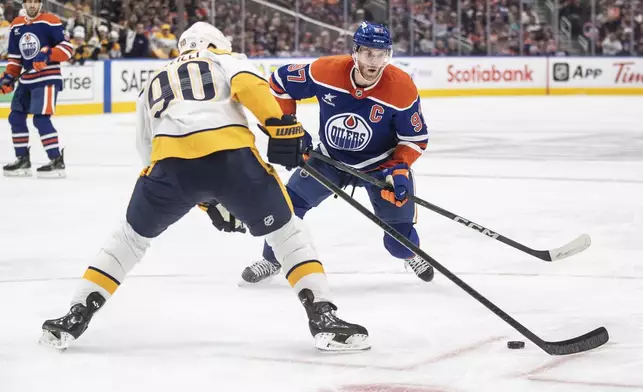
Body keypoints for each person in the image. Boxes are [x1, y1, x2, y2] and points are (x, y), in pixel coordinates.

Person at [39, 21, 370, 353]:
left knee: (127, 240)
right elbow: (249, 86)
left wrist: (203, 200)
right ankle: (323, 317)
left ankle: (75, 314)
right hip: (232, 158)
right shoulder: (224, 59)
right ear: (215, 43)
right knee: (288, 234)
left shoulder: (154, 78)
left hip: (168, 166)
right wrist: (281, 125)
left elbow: (145, 147)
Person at [240, 22, 434, 285]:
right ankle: (273, 259)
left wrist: (399, 167)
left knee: (398, 242)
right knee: (287, 206)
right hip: (329, 159)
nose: (374, 61)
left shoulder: (401, 88)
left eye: (381, 54)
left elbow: (414, 138)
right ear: (355, 51)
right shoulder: (326, 71)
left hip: (380, 167)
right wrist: (290, 129)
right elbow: (279, 83)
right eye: (368, 53)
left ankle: (410, 253)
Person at [0, 0, 73, 178]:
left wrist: (48, 54)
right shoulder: (16, 26)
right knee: (15, 116)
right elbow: (15, 58)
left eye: (35, 2)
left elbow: (67, 48)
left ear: (40, 4)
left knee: (40, 119)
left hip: (47, 77)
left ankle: (56, 161)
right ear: (23, 5)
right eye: (29, 2)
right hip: (27, 78)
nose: (32, 5)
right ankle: (22, 159)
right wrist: (9, 77)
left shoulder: (51, 20)